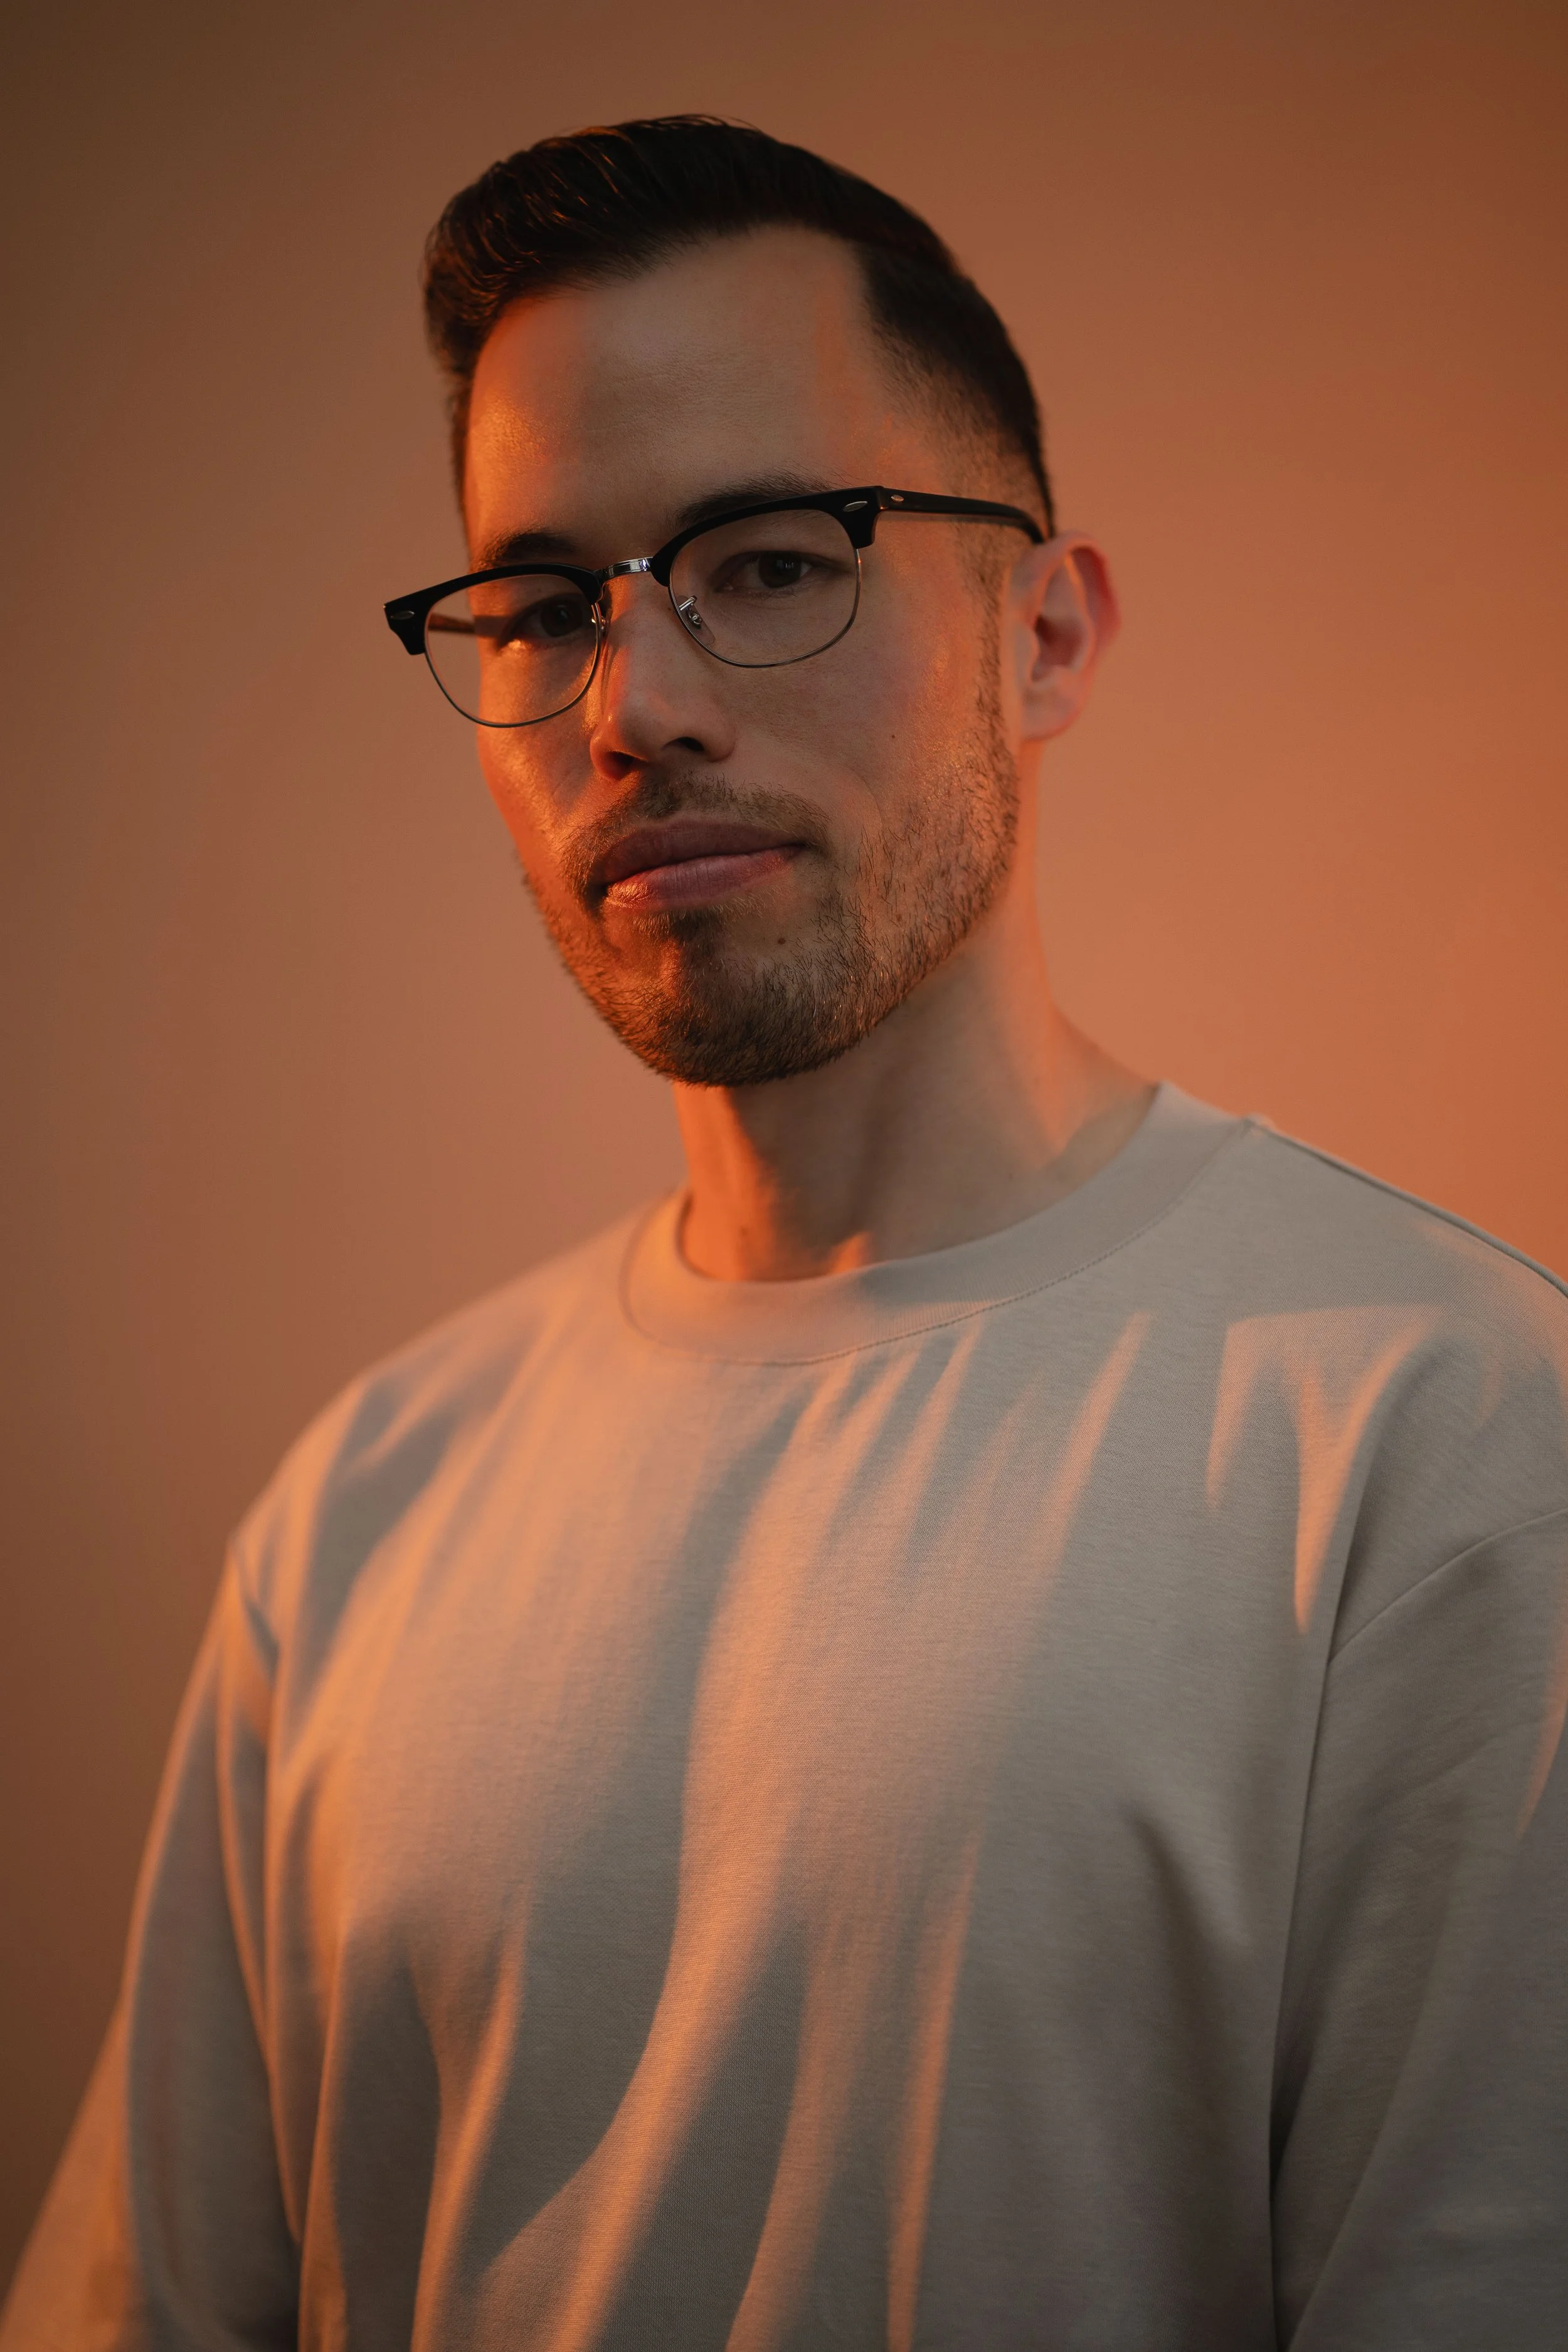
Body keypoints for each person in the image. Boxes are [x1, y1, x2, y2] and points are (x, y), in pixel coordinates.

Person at [5, 115, 1565, 2352]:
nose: (630, 704)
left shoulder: (1437, 1438)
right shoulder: (357, 1514)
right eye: (542, 606)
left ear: (1043, 633)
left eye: (764, 557)